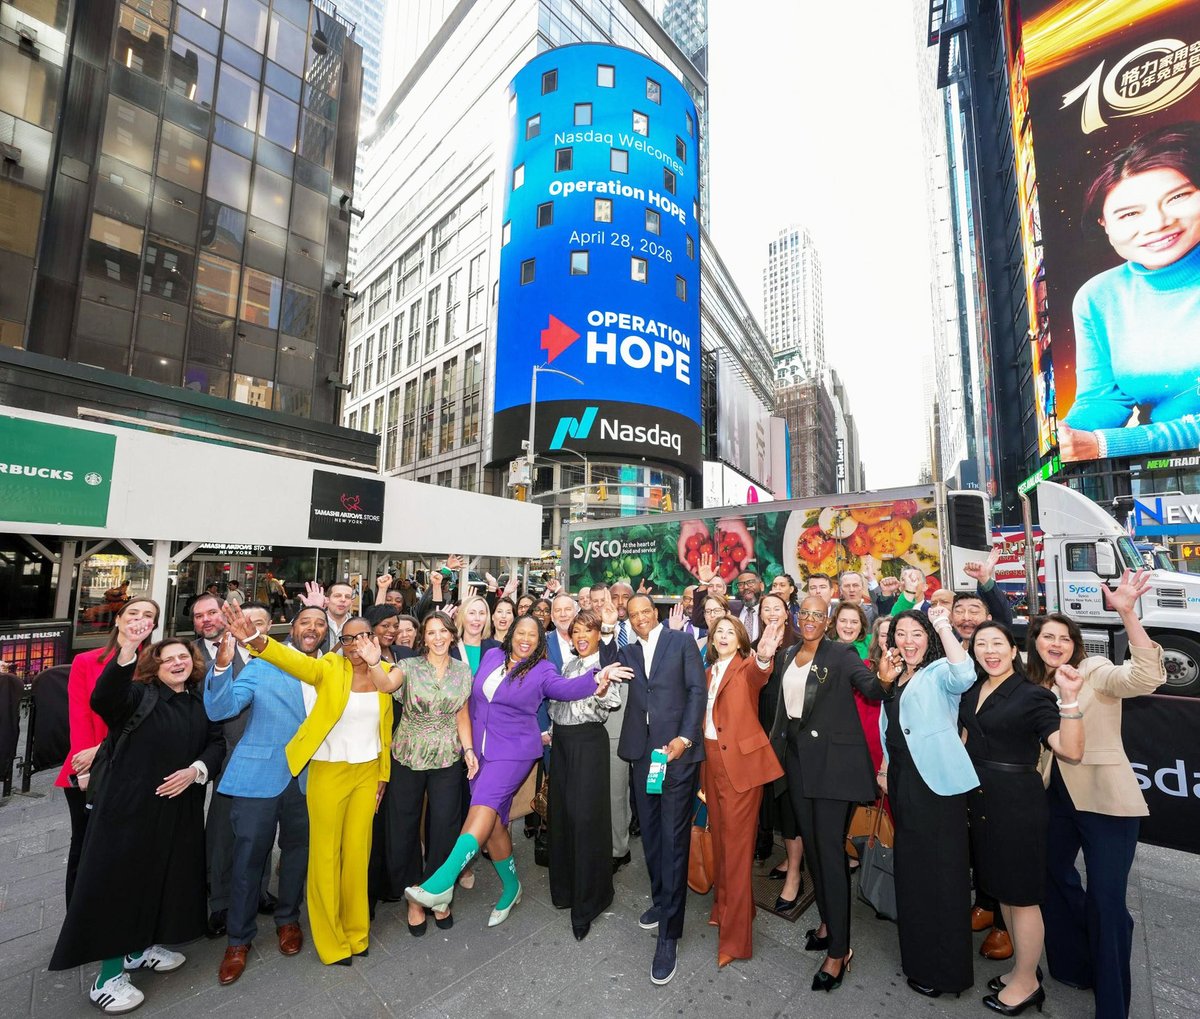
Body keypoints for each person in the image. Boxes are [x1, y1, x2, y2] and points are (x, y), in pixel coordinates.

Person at [403, 616, 628, 928]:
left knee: (481, 809)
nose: (525, 639)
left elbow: (566, 689)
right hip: (479, 753)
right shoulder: (493, 655)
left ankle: (441, 883)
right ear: (510, 635)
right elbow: (469, 697)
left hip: (513, 752)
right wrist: (468, 748)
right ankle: (512, 888)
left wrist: (597, 677)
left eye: (533, 635)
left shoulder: (543, 670)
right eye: (520, 632)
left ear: (539, 641)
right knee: (494, 822)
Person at [50, 629, 225, 1015]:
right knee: (122, 886)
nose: (178, 663)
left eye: (184, 657)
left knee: (162, 879)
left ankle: (138, 950)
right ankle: (107, 977)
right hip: (129, 810)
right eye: (168, 659)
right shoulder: (138, 697)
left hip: (178, 810)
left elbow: (215, 743)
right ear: (154, 667)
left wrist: (196, 771)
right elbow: (104, 698)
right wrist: (126, 649)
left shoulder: (199, 699)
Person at [220, 603, 393, 966]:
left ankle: (357, 933)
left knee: (358, 856)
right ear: (341, 643)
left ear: (374, 639)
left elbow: (387, 709)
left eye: (363, 637)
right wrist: (255, 639)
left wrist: (382, 775)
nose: (356, 644)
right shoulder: (329, 667)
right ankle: (331, 941)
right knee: (326, 857)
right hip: (328, 772)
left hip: (367, 775)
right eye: (348, 638)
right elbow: (296, 661)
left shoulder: (389, 672)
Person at [1027, 570, 1164, 1019]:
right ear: (1036, 643)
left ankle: (1112, 1006)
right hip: (1056, 801)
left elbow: (1144, 676)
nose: (1056, 643)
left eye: (1064, 637)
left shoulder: (1095, 671)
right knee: (1050, 877)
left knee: (1107, 904)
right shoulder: (1034, 687)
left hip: (1106, 801)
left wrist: (1127, 613)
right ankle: (1073, 965)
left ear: (1074, 644)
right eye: (1047, 636)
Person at [766, 595, 893, 992]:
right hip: (799, 765)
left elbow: (870, 687)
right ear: (796, 616)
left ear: (829, 621)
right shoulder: (787, 654)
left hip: (833, 770)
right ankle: (827, 921)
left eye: (818, 615)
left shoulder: (840, 654)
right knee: (816, 853)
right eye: (805, 613)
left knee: (829, 852)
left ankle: (839, 950)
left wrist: (886, 677)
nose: (810, 620)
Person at [961, 621, 1085, 1015]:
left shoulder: (1033, 695)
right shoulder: (974, 688)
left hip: (1017, 803)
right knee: (1003, 894)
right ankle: (1022, 970)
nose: (990, 650)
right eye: (982, 644)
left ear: (1014, 651)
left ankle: (1028, 981)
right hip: (982, 800)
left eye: (998, 643)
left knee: (1023, 898)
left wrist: (1069, 699)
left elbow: (1070, 749)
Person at [1057, 123, 1200, 461]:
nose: (1157, 224)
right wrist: (1066, 437)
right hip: (1163, 479)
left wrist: (1108, 445)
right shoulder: (1098, 297)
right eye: (1129, 213)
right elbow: (1104, 398)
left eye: (1178, 197)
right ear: (1103, 223)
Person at [203, 606, 328, 985]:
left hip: (309, 779)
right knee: (248, 861)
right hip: (259, 776)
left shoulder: (332, 670)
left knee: (297, 855)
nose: (312, 628)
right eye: (305, 622)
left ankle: (288, 920)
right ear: (292, 628)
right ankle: (238, 940)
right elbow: (220, 708)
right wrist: (222, 668)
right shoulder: (263, 664)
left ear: (326, 633)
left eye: (320, 624)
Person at [878, 608, 978, 999]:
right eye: (900, 634)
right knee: (913, 872)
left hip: (936, 784)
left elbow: (965, 673)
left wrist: (941, 625)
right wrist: (886, 769)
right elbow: (891, 729)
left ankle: (947, 971)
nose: (907, 641)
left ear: (928, 638)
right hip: (903, 781)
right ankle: (919, 960)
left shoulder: (939, 673)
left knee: (943, 876)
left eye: (915, 633)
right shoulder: (894, 676)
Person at [614, 593, 706, 986]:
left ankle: (669, 935)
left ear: (657, 612)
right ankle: (662, 900)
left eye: (645, 612)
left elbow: (697, 693)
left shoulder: (681, 642)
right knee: (650, 836)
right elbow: (601, 669)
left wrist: (685, 739)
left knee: (672, 838)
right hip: (642, 756)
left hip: (678, 755)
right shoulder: (628, 653)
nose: (640, 619)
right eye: (632, 616)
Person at [366, 612, 474, 934]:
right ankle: (414, 896)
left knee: (445, 825)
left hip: (447, 757)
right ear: (422, 638)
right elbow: (386, 685)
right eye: (431, 632)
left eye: (443, 631)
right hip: (408, 753)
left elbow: (462, 715)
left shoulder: (463, 672)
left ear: (452, 635)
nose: (438, 637)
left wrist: (468, 751)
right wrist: (374, 663)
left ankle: (437, 893)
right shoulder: (409, 667)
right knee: (404, 825)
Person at [55, 597, 160, 906]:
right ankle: (77, 914)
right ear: (118, 620)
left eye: (148, 615)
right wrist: (87, 768)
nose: (139, 619)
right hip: (88, 768)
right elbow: (80, 716)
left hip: (132, 769)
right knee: (85, 846)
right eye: (133, 613)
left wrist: (103, 749)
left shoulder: (154, 665)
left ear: (153, 625)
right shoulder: (86, 661)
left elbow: (149, 721)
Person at [702, 615, 786, 967]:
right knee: (720, 842)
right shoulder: (708, 671)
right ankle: (728, 907)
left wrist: (764, 656)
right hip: (710, 767)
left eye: (729, 632)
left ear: (740, 640)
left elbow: (760, 672)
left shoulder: (746, 668)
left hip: (740, 771)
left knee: (737, 854)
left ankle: (736, 942)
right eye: (717, 631)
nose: (722, 636)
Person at [547, 610, 621, 940]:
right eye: (576, 630)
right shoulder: (567, 666)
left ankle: (589, 902)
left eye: (587, 630)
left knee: (586, 819)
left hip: (588, 744)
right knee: (562, 816)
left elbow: (610, 702)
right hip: (562, 744)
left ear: (597, 636)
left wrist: (602, 687)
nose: (581, 635)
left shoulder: (603, 667)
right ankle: (565, 890)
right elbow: (558, 705)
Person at [192, 592, 257, 938]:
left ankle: (258, 891)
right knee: (220, 830)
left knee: (260, 826)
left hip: (259, 747)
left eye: (212, 613)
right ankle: (219, 900)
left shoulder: (251, 647)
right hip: (220, 752)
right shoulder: (190, 655)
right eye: (199, 616)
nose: (207, 620)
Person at [753, 594, 804, 902]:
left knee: (790, 802)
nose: (771, 613)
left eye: (776, 608)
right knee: (772, 798)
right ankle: (787, 855)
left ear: (787, 613)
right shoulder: (755, 644)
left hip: (790, 733)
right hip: (761, 729)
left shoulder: (800, 642)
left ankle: (796, 870)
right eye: (765, 609)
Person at [828, 601, 881, 777]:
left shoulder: (872, 653)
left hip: (867, 728)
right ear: (835, 623)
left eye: (854, 622)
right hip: (833, 731)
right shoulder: (823, 651)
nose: (848, 626)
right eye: (843, 621)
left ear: (862, 626)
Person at [734, 571, 763, 641]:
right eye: (741, 584)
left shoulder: (770, 613)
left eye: (750, 582)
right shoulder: (732, 611)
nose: (745, 587)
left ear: (761, 586)